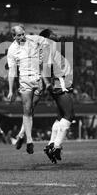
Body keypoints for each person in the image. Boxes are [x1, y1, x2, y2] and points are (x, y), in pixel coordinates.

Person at [7, 25, 47, 154]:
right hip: (25, 81)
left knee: (31, 110)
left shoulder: (33, 40)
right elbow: (12, 71)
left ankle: (21, 134)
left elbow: (46, 45)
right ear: (13, 36)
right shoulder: (12, 50)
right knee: (27, 110)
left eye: (23, 34)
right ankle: (29, 141)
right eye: (18, 35)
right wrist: (10, 90)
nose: (22, 37)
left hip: (38, 79)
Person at [39, 29, 75, 164]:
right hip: (60, 82)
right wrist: (48, 82)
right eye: (53, 33)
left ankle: (51, 145)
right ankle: (56, 147)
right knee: (69, 115)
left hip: (61, 82)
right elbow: (46, 68)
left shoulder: (48, 48)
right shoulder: (47, 46)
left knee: (61, 117)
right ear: (48, 37)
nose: (56, 35)